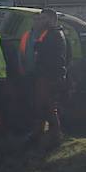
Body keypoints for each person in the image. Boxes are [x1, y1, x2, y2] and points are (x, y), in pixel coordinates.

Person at [27, 9, 67, 151]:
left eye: (43, 18)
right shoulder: (48, 34)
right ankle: (40, 133)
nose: (39, 21)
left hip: (49, 76)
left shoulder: (53, 35)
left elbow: (50, 57)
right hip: (45, 75)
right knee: (42, 105)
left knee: (48, 106)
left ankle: (55, 136)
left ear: (50, 20)